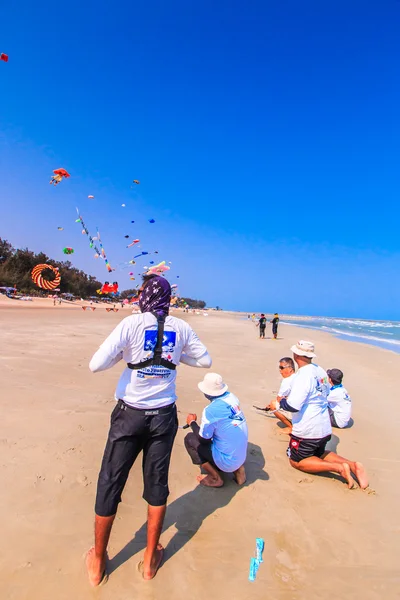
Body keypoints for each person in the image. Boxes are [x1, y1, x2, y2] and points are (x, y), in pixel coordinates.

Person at [85, 274, 212, 586]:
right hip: (163, 417)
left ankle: (98, 561)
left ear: (145, 295)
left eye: (141, 291)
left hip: (130, 414)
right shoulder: (180, 327)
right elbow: (205, 360)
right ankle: (148, 562)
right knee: (156, 484)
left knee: (110, 482)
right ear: (166, 297)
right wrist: (174, 355)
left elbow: (95, 364)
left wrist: (127, 355)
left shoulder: (131, 324)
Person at [268, 340, 368, 489]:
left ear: (296, 355)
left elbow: (293, 406)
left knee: (296, 460)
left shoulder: (303, 375)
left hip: (308, 429)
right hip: (324, 426)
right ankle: (353, 465)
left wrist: (280, 403)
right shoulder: (319, 370)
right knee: (319, 452)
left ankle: (340, 468)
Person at [184, 373, 248, 488]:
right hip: (241, 457)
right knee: (224, 433)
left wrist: (192, 423)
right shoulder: (232, 397)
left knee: (190, 439)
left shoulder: (211, 410)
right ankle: (239, 470)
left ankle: (215, 477)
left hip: (227, 461)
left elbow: (203, 440)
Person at [267, 357, 296, 433]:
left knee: (273, 404)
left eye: (282, 368)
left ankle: (291, 428)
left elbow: (279, 399)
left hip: (295, 410)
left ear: (290, 369)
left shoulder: (286, 381)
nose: (280, 371)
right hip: (302, 410)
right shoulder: (298, 377)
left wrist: (271, 406)